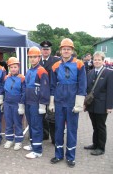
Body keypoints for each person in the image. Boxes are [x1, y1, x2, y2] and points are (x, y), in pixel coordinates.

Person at [49, 38, 86, 168]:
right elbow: (52, 86)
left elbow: (82, 85)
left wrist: (79, 104)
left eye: (68, 49)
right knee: (58, 129)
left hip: (72, 103)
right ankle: (58, 155)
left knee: (71, 130)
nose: (66, 51)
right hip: (59, 102)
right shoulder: (55, 66)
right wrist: (52, 102)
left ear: (72, 50)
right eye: (64, 49)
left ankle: (71, 157)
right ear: (60, 50)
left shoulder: (79, 64)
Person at [84, 51, 113, 156]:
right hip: (91, 104)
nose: (96, 61)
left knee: (100, 126)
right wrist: (85, 104)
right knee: (94, 125)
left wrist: (110, 106)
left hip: (102, 105)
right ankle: (95, 144)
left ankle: (101, 148)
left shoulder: (109, 73)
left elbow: (110, 90)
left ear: (103, 61)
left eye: (99, 60)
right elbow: (87, 89)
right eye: (95, 59)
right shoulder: (90, 72)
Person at [23, 47, 50, 159]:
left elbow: (45, 89)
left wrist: (43, 104)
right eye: (31, 57)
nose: (33, 59)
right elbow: (25, 87)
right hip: (28, 102)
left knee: (36, 126)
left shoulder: (42, 71)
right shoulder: (29, 71)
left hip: (36, 103)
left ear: (39, 58)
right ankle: (33, 144)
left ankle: (37, 151)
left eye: (35, 57)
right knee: (31, 125)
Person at [39, 40, 60, 144]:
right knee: (42, 115)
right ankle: (44, 134)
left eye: (47, 49)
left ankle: (54, 138)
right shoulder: (37, 61)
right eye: (44, 49)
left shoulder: (56, 61)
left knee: (52, 116)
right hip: (41, 92)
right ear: (41, 50)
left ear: (50, 50)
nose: (45, 51)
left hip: (52, 91)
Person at [3, 57, 26, 151]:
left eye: (15, 67)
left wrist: (21, 104)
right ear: (9, 68)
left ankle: (18, 141)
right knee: (8, 122)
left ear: (18, 67)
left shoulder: (22, 78)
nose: (13, 69)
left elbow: (24, 92)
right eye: (11, 67)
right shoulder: (6, 78)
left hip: (17, 103)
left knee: (17, 123)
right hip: (7, 103)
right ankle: (9, 139)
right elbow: (3, 89)